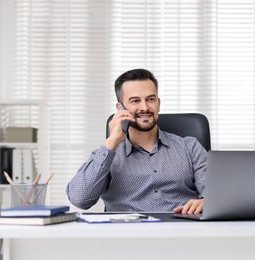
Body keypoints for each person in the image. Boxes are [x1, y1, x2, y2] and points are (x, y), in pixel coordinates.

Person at [66, 68, 207, 214]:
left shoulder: (189, 147)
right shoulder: (106, 156)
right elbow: (79, 199)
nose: (145, 107)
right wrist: (111, 143)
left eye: (150, 99)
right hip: (127, 232)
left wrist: (205, 202)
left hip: (182, 230)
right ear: (120, 108)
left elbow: (216, 195)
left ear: (158, 103)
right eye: (135, 101)